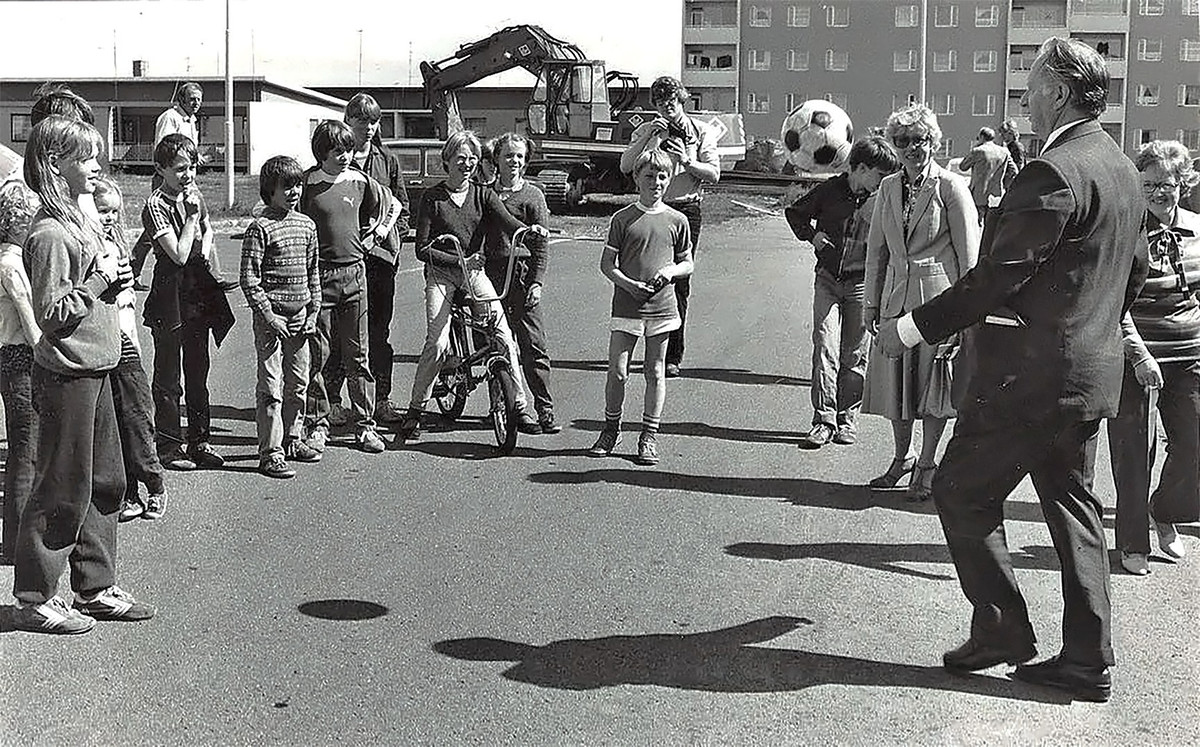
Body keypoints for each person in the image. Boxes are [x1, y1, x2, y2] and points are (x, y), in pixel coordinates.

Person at [875, 38, 1149, 702]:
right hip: (1088, 375)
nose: (1023, 100)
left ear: (1057, 91)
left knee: (960, 490)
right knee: (1075, 508)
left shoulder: (1054, 170)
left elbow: (995, 277)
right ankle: (1087, 659)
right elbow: (1132, 271)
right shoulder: (1120, 166)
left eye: (1030, 87)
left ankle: (1002, 629)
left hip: (1028, 380)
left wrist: (907, 328)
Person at [12, 115, 155, 634]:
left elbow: (91, 290)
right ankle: (35, 596)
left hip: (99, 366)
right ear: (56, 165)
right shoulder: (50, 233)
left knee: (105, 481)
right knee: (61, 487)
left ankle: (95, 587)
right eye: (86, 158)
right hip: (67, 375)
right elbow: (52, 314)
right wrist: (98, 282)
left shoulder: (78, 219)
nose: (97, 166)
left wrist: (111, 279)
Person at [397, 130, 548, 443]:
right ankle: (416, 409)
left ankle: (519, 406)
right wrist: (460, 260)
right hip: (442, 274)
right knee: (437, 342)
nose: (467, 165)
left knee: (504, 335)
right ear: (447, 161)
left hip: (474, 272)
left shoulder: (483, 194)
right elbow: (422, 248)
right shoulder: (432, 197)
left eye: (473, 159)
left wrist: (529, 231)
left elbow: (508, 222)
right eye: (461, 159)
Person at [862, 104, 980, 501]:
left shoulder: (950, 187)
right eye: (902, 141)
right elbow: (876, 250)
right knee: (898, 389)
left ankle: (928, 465)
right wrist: (870, 306)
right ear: (893, 145)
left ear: (934, 141)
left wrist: (967, 313)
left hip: (938, 303)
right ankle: (902, 458)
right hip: (895, 300)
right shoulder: (888, 187)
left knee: (934, 390)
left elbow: (969, 258)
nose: (911, 148)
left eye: (919, 140)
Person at [1106, 140, 1200, 576]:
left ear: (1184, 183)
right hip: (1135, 355)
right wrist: (1139, 353)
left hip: (1190, 353)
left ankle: (1163, 510)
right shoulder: (1125, 230)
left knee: (1194, 443)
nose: (1159, 192)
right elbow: (1113, 303)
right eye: (1148, 184)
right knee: (1133, 452)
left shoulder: (1198, 228)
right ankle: (1132, 542)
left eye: (1167, 183)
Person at [786, 136, 900, 449]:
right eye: (878, 175)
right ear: (860, 168)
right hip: (826, 280)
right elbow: (795, 213)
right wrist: (813, 235)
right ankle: (823, 420)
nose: (881, 182)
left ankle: (846, 420)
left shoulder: (882, 199)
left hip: (861, 285)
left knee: (855, 356)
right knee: (825, 347)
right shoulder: (829, 191)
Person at [588, 148, 694, 465]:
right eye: (649, 176)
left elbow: (687, 263)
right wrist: (629, 285)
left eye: (662, 176)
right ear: (636, 178)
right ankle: (611, 428)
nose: (656, 182)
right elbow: (607, 264)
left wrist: (670, 272)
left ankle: (648, 436)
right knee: (618, 372)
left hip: (662, 309)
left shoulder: (679, 220)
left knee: (655, 372)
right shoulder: (622, 219)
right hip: (626, 307)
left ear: (670, 179)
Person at [300, 120, 396, 455]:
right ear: (321, 153)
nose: (344, 156)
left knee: (359, 356)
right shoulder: (307, 183)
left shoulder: (360, 180)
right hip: (319, 277)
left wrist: (376, 236)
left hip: (356, 276)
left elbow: (391, 206)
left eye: (349, 150)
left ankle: (365, 427)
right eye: (337, 151)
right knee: (319, 356)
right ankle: (317, 426)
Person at [142, 133, 235, 472]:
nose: (188, 175)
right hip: (170, 292)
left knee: (198, 370)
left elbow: (210, 231)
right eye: (180, 168)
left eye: (192, 167)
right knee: (168, 374)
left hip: (196, 289)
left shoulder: (193, 196)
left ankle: (200, 439)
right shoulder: (155, 205)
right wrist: (192, 222)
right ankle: (168, 445)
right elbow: (178, 255)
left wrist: (204, 238)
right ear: (161, 169)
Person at [619, 76, 719, 378]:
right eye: (662, 105)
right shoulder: (648, 129)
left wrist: (687, 161)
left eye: (672, 104)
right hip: (651, 209)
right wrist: (648, 136)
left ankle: (672, 355)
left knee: (678, 282)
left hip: (686, 208)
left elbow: (714, 173)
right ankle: (642, 346)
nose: (668, 110)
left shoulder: (700, 131)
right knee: (643, 275)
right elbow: (625, 166)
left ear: (682, 101)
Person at [324, 93, 411, 427]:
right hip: (342, 261)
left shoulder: (386, 159)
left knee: (378, 332)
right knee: (335, 333)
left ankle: (381, 400)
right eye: (362, 122)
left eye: (375, 121)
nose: (370, 128)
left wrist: (392, 241)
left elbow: (400, 204)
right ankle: (332, 401)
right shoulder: (335, 158)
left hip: (379, 261)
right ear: (348, 120)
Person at [241, 156, 322, 478]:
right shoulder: (260, 228)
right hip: (271, 323)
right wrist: (268, 315)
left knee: (298, 385)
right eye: (285, 186)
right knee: (271, 388)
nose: (293, 192)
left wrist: (313, 311)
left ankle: (293, 438)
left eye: (297, 184)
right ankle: (270, 452)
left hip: (302, 319)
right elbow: (249, 279)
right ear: (269, 190)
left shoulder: (307, 225)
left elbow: (313, 271)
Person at [93, 177, 168, 521]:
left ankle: (155, 485)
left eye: (113, 211)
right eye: (101, 210)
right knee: (114, 423)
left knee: (137, 417)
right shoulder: (89, 247)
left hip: (124, 344)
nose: (107, 217)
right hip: (100, 342)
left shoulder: (118, 248)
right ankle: (130, 493)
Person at [485, 132, 561, 434]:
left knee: (533, 345)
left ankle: (545, 408)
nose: (513, 161)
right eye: (508, 155)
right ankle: (508, 406)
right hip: (491, 277)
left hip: (521, 276)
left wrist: (536, 282)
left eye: (519, 156)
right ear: (497, 160)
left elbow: (542, 244)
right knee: (498, 347)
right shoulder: (485, 193)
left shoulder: (533, 195)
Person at [134, 82, 233, 291]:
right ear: (181, 99)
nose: (196, 103)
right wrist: (181, 164)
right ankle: (133, 270)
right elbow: (166, 148)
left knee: (194, 220)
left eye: (199, 99)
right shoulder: (170, 117)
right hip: (168, 176)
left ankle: (214, 274)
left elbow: (188, 151)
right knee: (160, 225)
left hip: (185, 175)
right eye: (192, 99)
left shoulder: (192, 120)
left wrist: (197, 160)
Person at [0, 181, 39, 563]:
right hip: (19, 359)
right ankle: (16, 542)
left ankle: (16, 537)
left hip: (11, 357)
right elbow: (29, 324)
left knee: (24, 447)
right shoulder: (10, 266)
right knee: (25, 449)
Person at [959, 127, 1018, 225]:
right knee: (992, 226)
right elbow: (1014, 171)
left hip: (978, 195)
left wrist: (974, 149)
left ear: (982, 137)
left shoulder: (978, 151)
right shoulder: (1004, 152)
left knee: (975, 226)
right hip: (996, 195)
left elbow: (963, 167)